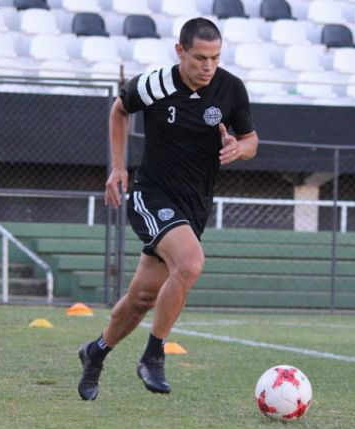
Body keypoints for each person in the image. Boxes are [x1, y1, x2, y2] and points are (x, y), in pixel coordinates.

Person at [77, 17, 259, 401]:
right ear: (180, 52)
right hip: (151, 194)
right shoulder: (154, 84)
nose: (208, 66)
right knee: (190, 263)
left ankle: (96, 352)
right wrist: (118, 166)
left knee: (141, 299)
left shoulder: (231, 89)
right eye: (199, 58)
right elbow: (119, 109)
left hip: (194, 208)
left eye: (215, 57)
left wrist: (238, 150)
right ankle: (153, 355)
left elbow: (251, 140)